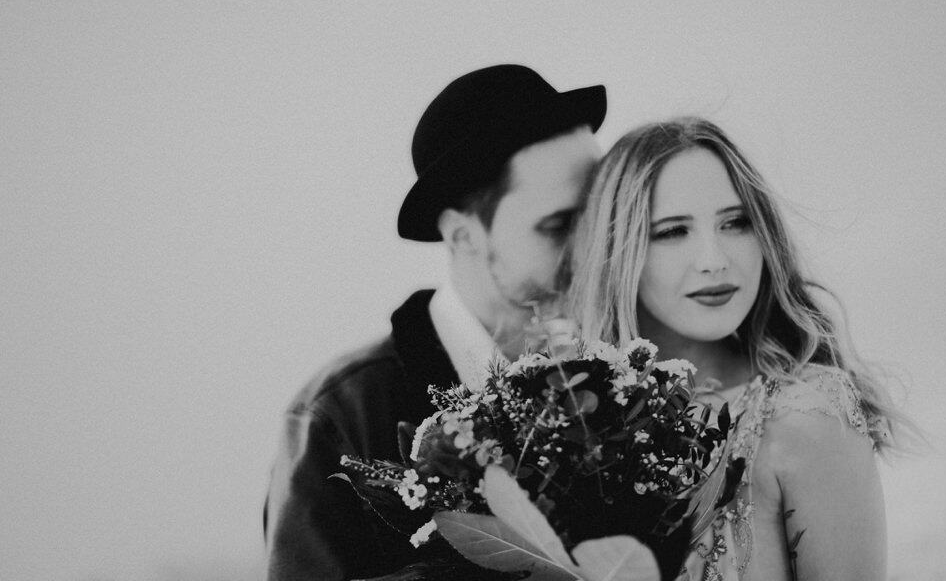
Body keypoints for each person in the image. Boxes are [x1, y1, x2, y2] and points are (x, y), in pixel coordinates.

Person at [263, 64, 605, 580]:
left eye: (601, 221)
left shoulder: (627, 383)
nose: (594, 252)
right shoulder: (342, 417)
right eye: (557, 227)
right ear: (462, 234)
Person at [568, 118, 903, 580]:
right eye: (672, 231)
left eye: (736, 223)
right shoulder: (564, 423)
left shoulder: (806, 418)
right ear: (618, 250)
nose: (715, 260)